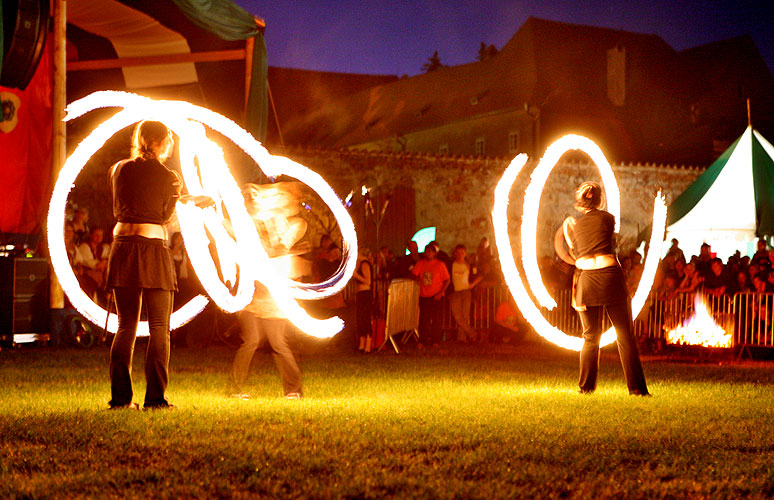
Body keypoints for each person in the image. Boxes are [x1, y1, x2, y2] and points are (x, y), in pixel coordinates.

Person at [105, 120, 189, 410]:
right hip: (152, 249)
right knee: (159, 326)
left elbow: (127, 204)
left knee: (125, 325)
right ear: (163, 141)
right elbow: (163, 216)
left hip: (123, 247)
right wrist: (183, 200)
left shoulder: (118, 169)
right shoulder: (170, 176)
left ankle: (120, 399)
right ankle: (155, 398)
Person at [563, 181, 649, 396]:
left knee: (590, 337)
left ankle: (586, 388)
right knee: (624, 335)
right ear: (599, 200)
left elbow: (575, 255)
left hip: (586, 279)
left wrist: (568, 228)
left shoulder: (576, 226)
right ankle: (637, 389)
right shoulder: (608, 218)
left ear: (580, 202)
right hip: (608, 277)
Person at [230, 182, 306, 399]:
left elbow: (283, 243)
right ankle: (235, 389)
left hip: (272, 293)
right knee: (251, 339)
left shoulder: (276, 220)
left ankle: (293, 390)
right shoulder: (243, 223)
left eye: (255, 194)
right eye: (248, 195)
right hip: (253, 291)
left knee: (278, 342)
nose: (252, 197)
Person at [411, 243, 450, 346]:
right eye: (426, 251)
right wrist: (417, 279)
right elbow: (413, 274)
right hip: (424, 295)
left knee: (436, 320)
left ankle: (436, 340)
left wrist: (441, 292)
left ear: (434, 253)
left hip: (436, 295)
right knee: (424, 319)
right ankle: (423, 340)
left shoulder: (440, 265)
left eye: (429, 252)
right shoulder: (420, 263)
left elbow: (447, 280)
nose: (427, 254)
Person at [448, 244, 481, 342]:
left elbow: (480, 275)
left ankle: (461, 338)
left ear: (465, 254)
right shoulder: (451, 265)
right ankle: (472, 334)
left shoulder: (469, 265)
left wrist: (473, 283)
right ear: (454, 254)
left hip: (466, 292)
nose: (459, 255)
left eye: (462, 253)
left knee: (465, 316)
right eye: (457, 253)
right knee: (457, 315)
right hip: (455, 293)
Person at [353, 247, 374, 352]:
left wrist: (356, 275)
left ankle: (368, 345)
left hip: (366, 294)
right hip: (361, 294)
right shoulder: (360, 264)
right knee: (360, 318)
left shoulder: (365, 264)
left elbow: (368, 281)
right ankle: (362, 345)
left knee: (365, 318)